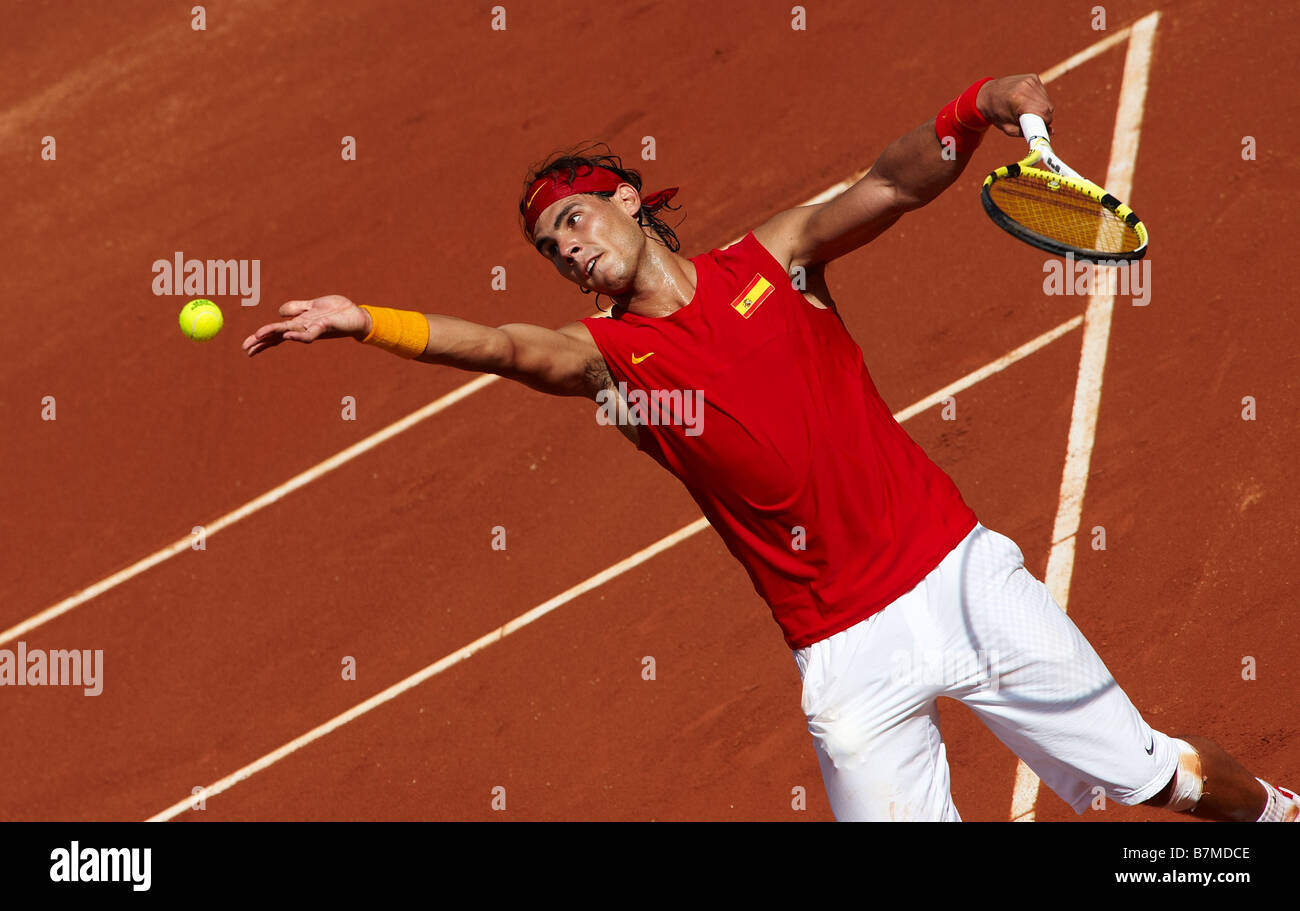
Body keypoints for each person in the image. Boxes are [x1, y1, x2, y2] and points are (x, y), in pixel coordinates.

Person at [243, 74, 1297, 822]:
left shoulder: (775, 259)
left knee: (1162, 779)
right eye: (549, 245)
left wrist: (973, 107)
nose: (566, 247)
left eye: (573, 218)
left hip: (956, 574)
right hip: (841, 652)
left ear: (624, 199)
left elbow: (890, 182)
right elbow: (508, 347)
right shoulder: (606, 357)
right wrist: (365, 318)